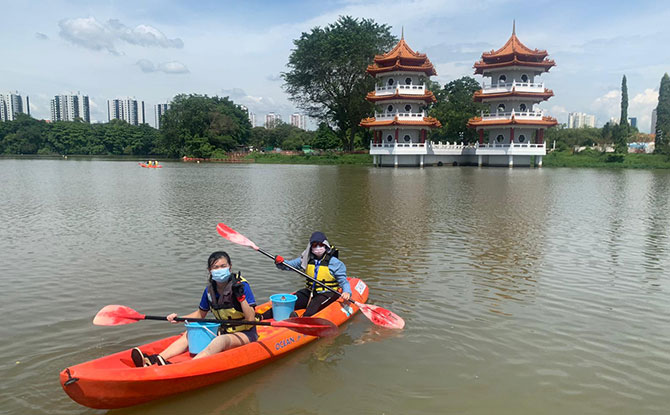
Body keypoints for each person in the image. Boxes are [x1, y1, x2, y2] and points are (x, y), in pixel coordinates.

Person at [131, 251, 258, 367]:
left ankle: (189, 366)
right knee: (190, 333)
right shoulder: (209, 291)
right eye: (216, 267)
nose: (220, 270)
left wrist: (241, 298)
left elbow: (251, 318)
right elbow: (200, 314)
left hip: (246, 334)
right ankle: (155, 359)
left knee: (221, 341)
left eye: (223, 266)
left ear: (230, 267)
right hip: (224, 330)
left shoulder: (241, 286)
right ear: (210, 270)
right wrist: (180, 319)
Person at [262, 231, 351, 319]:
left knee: (313, 306)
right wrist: (280, 262)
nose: (318, 248)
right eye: (315, 245)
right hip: (310, 291)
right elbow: (288, 266)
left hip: (328, 293)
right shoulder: (306, 259)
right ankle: (261, 317)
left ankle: (302, 319)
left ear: (325, 246)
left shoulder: (335, 263)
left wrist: (347, 291)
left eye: (321, 245)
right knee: (290, 301)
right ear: (311, 247)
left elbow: (343, 282)